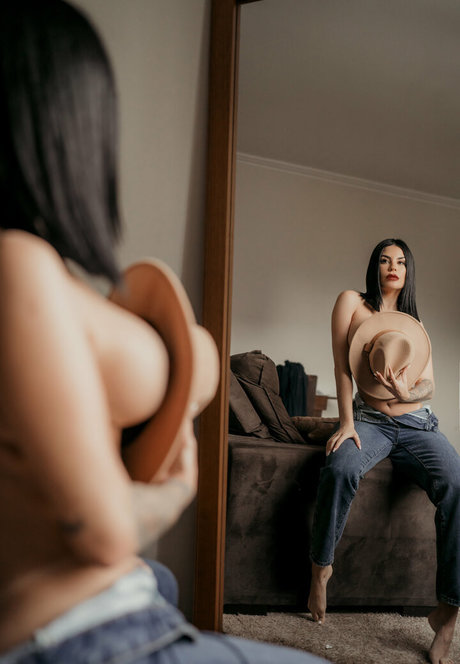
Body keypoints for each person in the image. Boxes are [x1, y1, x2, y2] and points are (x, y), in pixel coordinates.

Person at [0, 3, 330, 663]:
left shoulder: (36, 280)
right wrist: (173, 493)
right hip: (87, 633)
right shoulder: (18, 265)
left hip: (115, 608)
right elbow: (101, 533)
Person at [307, 238, 460, 664]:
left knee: (457, 483)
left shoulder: (414, 323)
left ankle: (448, 613)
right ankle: (321, 568)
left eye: (401, 262)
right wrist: (346, 422)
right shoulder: (351, 302)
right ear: (375, 266)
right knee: (340, 467)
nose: (393, 266)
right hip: (370, 421)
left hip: (417, 424)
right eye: (385, 260)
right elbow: (342, 366)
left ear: (408, 272)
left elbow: (429, 385)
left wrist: (408, 392)